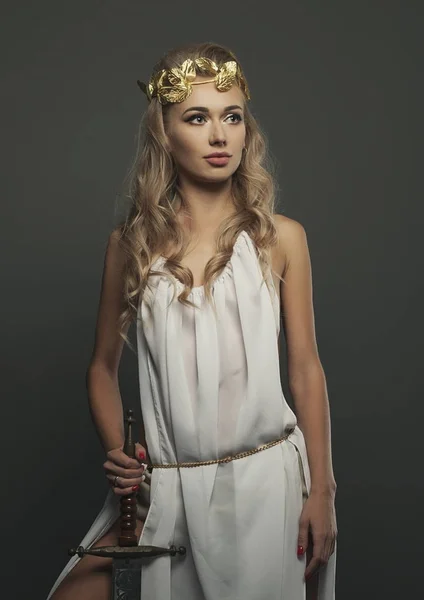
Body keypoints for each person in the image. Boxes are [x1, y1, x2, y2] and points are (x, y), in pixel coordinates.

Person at [47, 41, 337, 600]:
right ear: (165, 132)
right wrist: (122, 456)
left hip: (263, 486)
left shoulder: (282, 239)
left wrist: (321, 491)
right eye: (197, 118)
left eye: (232, 116)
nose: (219, 135)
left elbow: (305, 369)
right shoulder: (130, 246)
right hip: (167, 489)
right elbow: (101, 369)